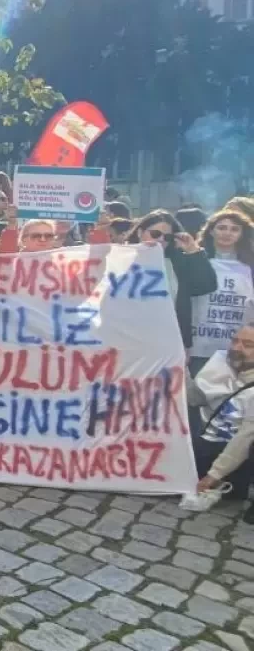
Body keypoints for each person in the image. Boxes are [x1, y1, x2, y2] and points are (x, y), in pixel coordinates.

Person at [125, 210, 218, 356]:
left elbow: (206, 285)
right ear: (140, 232)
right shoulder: (120, 259)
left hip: (168, 343)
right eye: (155, 234)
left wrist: (193, 250)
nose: (161, 239)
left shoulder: (178, 263)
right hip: (127, 340)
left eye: (167, 236)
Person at [191, 323, 254, 521]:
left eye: (248, 344)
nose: (236, 348)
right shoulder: (221, 363)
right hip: (205, 443)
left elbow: (244, 439)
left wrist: (213, 476)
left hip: (232, 458)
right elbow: (193, 400)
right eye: (235, 341)